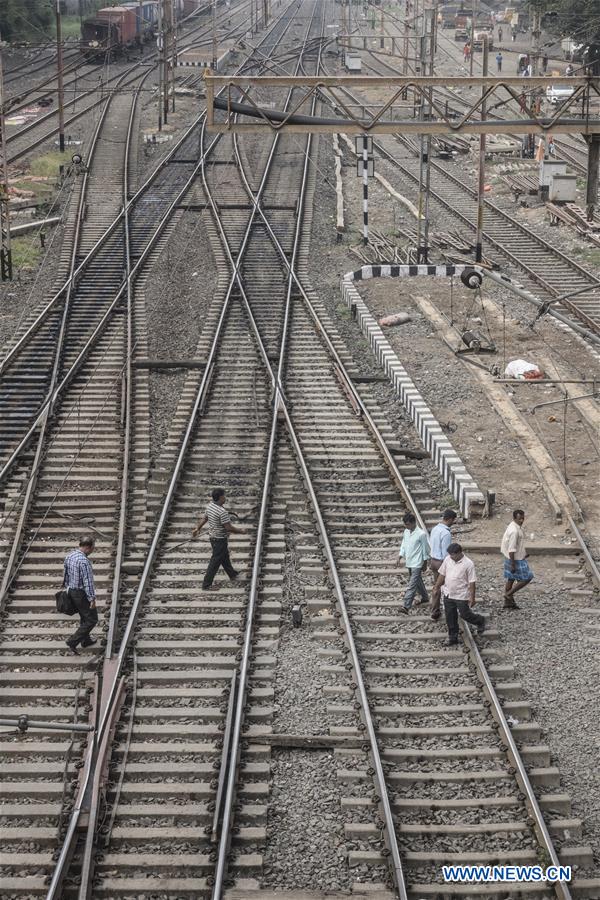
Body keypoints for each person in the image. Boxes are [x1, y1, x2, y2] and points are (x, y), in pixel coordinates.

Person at [433, 543, 485, 646]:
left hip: (461, 594)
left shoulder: (468, 564)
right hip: (448, 593)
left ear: (459, 553)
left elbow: (472, 582)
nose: (451, 557)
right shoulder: (448, 559)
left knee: (465, 614)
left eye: (453, 555)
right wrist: (436, 587)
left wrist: (472, 598)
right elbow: (442, 574)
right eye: (450, 555)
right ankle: (453, 637)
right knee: (450, 616)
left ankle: (480, 620)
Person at [194, 488, 243, 591]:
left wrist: (197, 528)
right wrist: (241, 531)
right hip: (220, 539)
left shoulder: (210, 506)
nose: (225, 497)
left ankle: (232, 574)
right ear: (221, 497)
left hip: (213, 538)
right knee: (215, 562)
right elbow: (228, 528)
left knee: (224, 556)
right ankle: (206, 585)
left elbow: (205, 518)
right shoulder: (222, 512)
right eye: (224, 496)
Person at [64, 536, 98, 654]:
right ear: (88, 547)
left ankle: (86, 640)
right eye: (93, 548)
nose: (93, 550)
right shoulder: (84, 561)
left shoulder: (70, 556)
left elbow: (65, 574)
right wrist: (92, 599)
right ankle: (73, 641)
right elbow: (88, 582)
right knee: (92, 619)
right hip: (81, 593)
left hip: (72, 591)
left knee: (84, 616)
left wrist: (68, 588)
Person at [397, 512, 430, 613]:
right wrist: (400, 556)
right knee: (417, 581)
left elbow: (425, 549)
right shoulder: (406, 532)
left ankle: (406, 606)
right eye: (405, 524)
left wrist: (425, 563)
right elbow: (404, 544)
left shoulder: (421, 534)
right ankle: (425, 597)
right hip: (409, 561)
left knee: (412, 584)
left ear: (413, 523)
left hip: (417, 562)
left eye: (407, 524)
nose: (406, 526)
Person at [501, 509, 533, 609]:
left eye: (523, 518)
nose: (522, 520)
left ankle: (508, 603)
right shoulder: (514, 531)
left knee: (511, 578)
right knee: (527, 577)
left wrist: (523, 553)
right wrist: (513, 564)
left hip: (511, 557)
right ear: (514, 518)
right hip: (515, 559)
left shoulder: (514, 526)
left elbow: (516, 545)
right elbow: (511, 549)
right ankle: (508, 594)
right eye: (519, 519)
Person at [429, 509, 457, 620]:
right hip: (441, 563)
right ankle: (450, 610)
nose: (453, 522)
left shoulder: (435, 529)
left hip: (433, 561)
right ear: (449, 519)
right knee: (448, 587)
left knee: (437, 586)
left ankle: (434, 611)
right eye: (453, 520)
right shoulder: (446, 533)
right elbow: (446, 554)